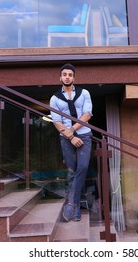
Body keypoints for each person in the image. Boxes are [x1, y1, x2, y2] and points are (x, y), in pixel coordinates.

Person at [49, 63, 93, 222]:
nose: (67, 76)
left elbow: (87, 115)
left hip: (85, 135)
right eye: (64, 74)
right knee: (73, 171)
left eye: (70, 74)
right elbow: (56, 122)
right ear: (60, 77)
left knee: (83, 167)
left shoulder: (84, 93)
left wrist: (73, 131)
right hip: (66, 139)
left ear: (74, 78)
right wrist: (71, 137)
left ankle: (72, 203)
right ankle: (76, 209)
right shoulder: (54, 98)